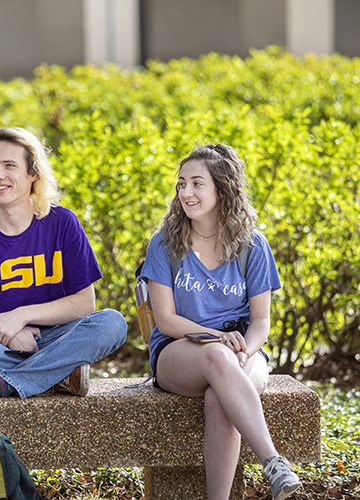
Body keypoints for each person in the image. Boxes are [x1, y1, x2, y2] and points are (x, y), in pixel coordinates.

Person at [139, 144, 301, 500]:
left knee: (218, 398)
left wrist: (244, 349)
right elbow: (165, 320)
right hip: (179, 353)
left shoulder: (253, 245)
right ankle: (272, 460)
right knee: (217, 358)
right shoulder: (165, 243)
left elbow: (260, 322)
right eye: (181, 184)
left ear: (222, 190)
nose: (186, 192)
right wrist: (220, 339)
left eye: (197, 184)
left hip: (243, 351)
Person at [0, 127, 127, 400]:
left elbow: (84, 303)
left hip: (54, 340)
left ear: (33, 174)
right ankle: (58, 376)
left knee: (113, 323)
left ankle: (1, 384)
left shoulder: (62, 223)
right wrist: (7, 332)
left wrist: (21, 316)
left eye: (10, 165)